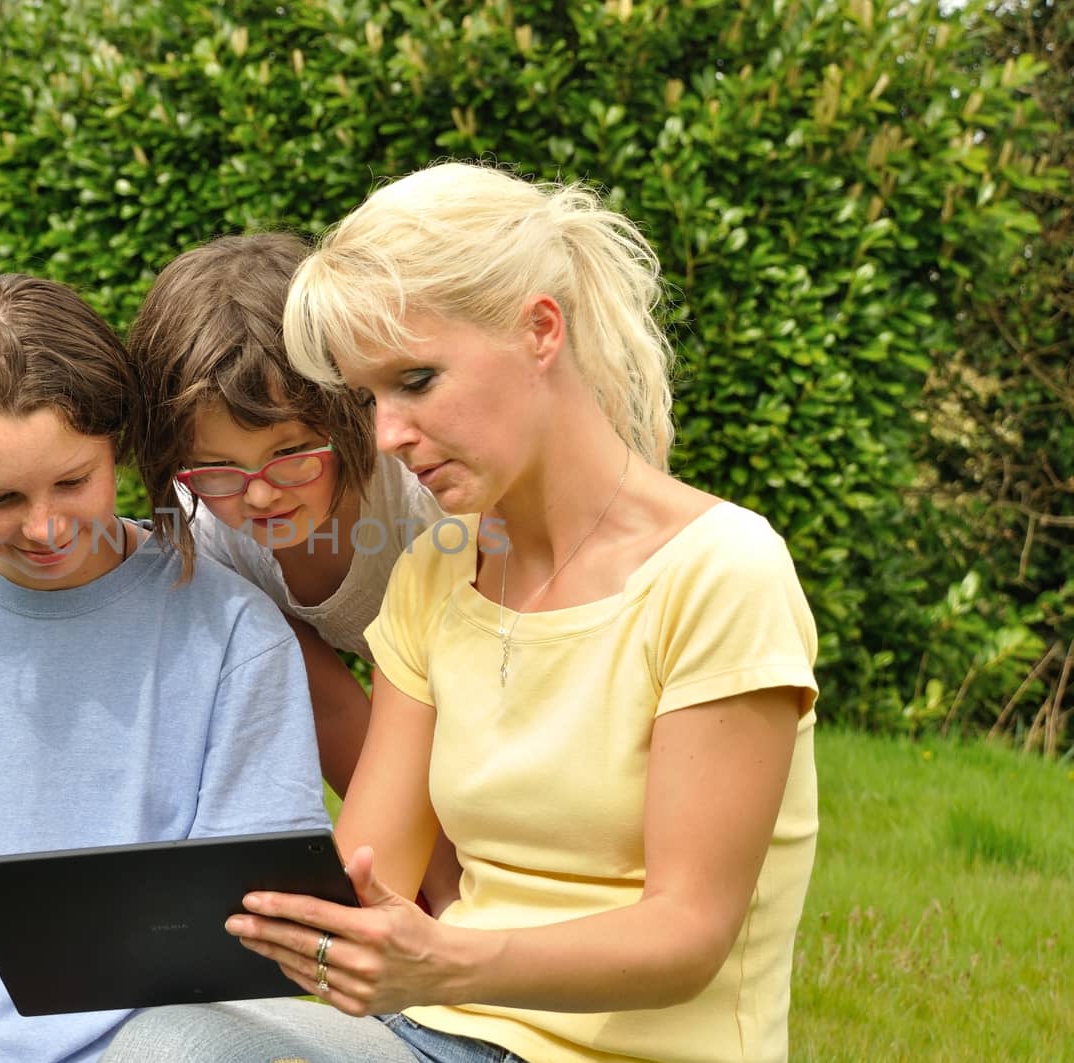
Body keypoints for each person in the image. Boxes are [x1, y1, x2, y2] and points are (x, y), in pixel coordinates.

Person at [104, 162, 819, 1063]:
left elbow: (689, 935)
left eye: (416, 379)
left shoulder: (720, 571)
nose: (389, 434)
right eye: (369, 398)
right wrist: (151, 929)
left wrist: (449, 964)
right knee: (167, 1042)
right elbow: (370, 884)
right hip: (444, 1033)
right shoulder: (439, 575)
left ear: (540, 330)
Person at [0, 274, 330, 1063]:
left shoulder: (235, 634)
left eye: (74, 481)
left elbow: (243, 960)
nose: (44, 528)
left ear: (123, 443)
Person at [128, 233, 460, 909]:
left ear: (349, 410)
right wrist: (417, 895)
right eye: (218, 465)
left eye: (291, 451)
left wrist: (463, 892)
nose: (257, 494)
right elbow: (335, 707)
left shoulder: (419, 492)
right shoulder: (207, 521)